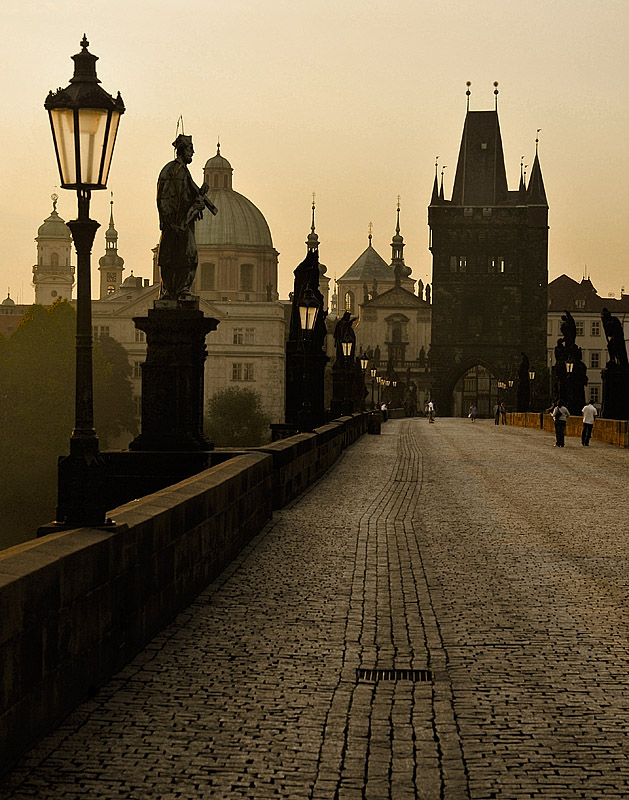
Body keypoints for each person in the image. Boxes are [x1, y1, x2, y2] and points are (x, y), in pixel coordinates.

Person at [157, 134, 217, 300]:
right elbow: (164, 197)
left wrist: (198, 200)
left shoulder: (184, 171)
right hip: (175, 224)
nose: (193, 152)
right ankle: (172, 290)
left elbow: (189, 193)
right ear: (182, 150)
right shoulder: (171, 170)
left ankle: (182, 289)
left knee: (189, 255)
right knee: (172, 256)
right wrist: (170, 221)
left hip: (184, 223)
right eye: (190, 149)